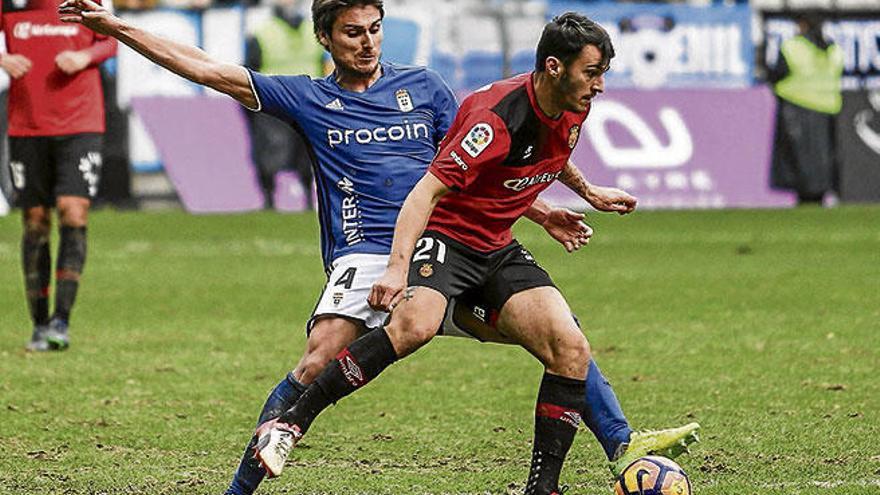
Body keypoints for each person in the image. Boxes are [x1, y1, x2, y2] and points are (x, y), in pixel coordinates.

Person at [60, 2, 698, 492]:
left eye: (373, 29)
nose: (366, 42)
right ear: (326, 39)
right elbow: (205, 68)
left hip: (452, 241)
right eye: (351, 32)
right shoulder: (309, 96)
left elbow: (472, 165)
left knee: (557, 336)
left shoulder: (423, 88)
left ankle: (623, 447)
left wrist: (543, 210)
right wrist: (118, 27)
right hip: (370, 252)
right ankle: (245, 483)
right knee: (318, 360)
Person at [247, 11, 699, 494]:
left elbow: (551, 149)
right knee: (413, 326)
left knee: (569, 347)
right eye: (592, 73)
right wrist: (398, 271)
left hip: (496, 247)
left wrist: (584, 192)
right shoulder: (493, 118)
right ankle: (292, 421)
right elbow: (424, 194)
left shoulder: (573, 101)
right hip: (446, 242)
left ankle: (542, 488)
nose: (601, 85)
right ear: (553, 67)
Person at [2, 0, 117, 351]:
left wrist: (84, 58)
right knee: (35, 220)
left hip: (80, 122)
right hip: (27, 125)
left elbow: (112, 39)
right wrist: (2, 59)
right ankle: (38, 322)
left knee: (73, 210)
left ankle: (61, 321)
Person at [243, 0, 327, 209]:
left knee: (283, 153)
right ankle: (281, 200)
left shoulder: (262, 33)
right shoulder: (314, 32)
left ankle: (277, 200)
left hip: (283, 100)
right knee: (292, 153)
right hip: (291, 101)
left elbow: (248, 71)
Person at [769, 12, 843, 205]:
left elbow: (778, 73)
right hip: (828, 108)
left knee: (799, 160)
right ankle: (820, 196)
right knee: (822, 158)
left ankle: (805, 198)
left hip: (796, 106)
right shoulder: (833, 50)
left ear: (803, 25)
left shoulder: (793, 46)